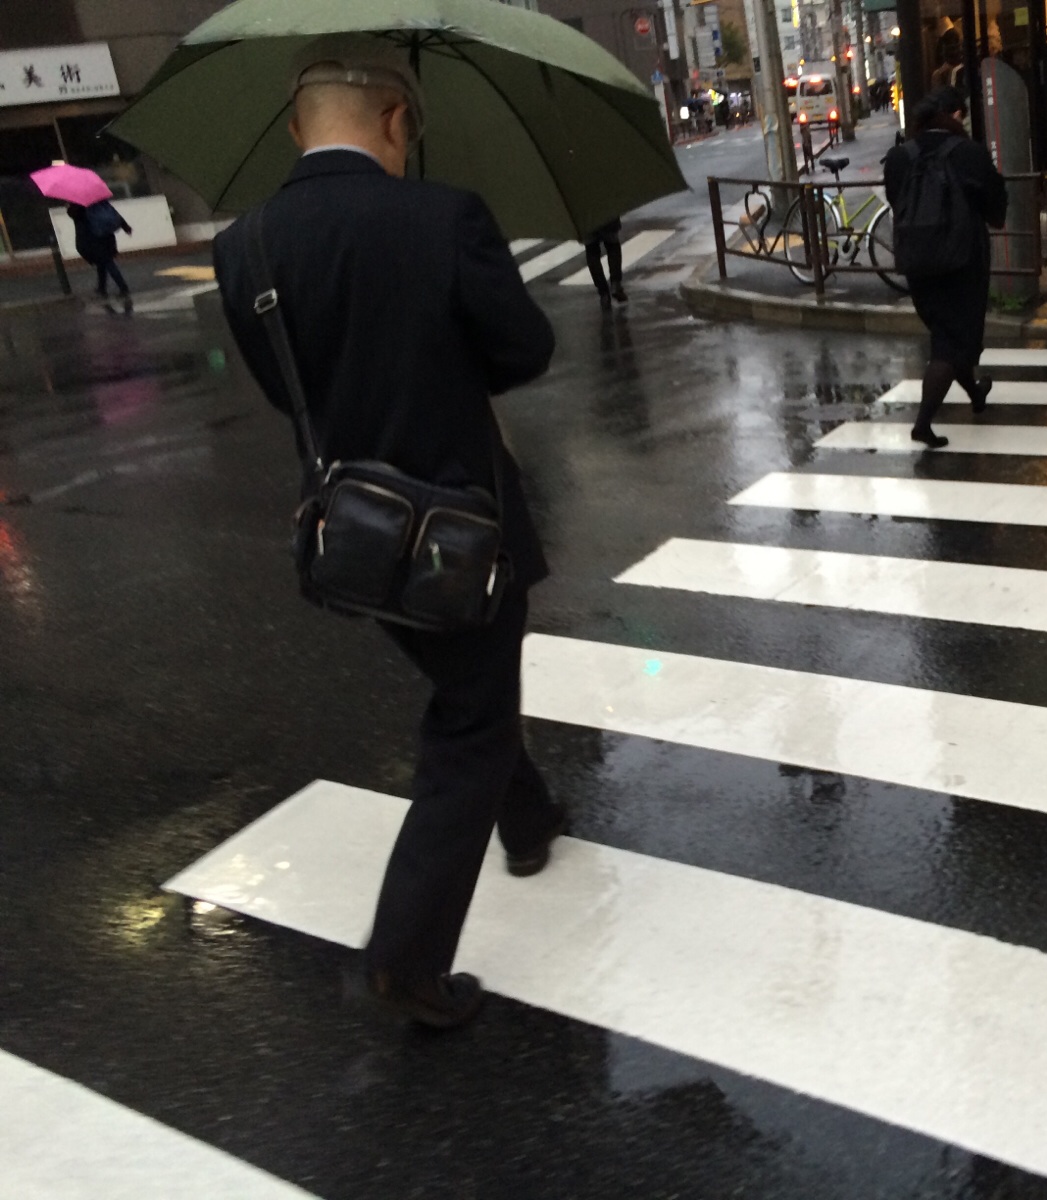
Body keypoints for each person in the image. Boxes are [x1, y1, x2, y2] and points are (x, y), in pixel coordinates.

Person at [212, 35, 566, 1029]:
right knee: (469, 720)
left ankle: (531, 816)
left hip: (353, 533)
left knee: (467, 683)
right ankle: (405, 960)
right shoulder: (442, 216)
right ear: (399, 119)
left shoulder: (244, 247)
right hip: (460, 529)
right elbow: (524, 350)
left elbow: (285, 388)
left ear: (296, 129)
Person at [882, 86, 1008, 448]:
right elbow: (995, 205)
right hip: (963, 261)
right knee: (952, 343)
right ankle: (923, 423)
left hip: (917, 260)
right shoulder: (968, 153)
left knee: (947, 333)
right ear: (954, 115)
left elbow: (896, 200)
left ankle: (976, 393)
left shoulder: (900, 156)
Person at [65, 198, 133, 303]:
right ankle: (102, 288)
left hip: (92, 239)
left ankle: (123, 288)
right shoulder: (99, 200)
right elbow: (113, 212)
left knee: (108, 263)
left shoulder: (78, 204)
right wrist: (125, 226)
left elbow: (74, 215)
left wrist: (69, 207)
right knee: (102, 262)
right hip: (107, 237)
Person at [584, 218, 626, 310]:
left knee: (591, 251)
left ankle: (603, 293)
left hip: (585, 220)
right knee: (613, 245)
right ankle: (615, 284)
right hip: (606, 216)